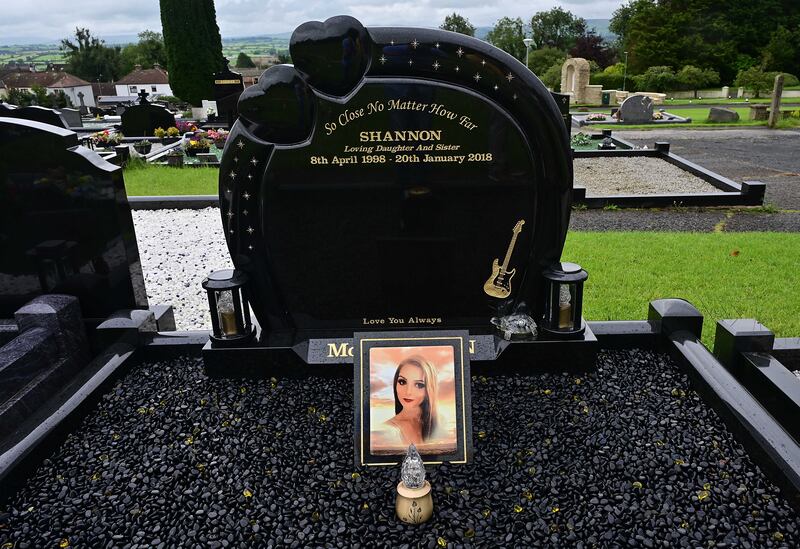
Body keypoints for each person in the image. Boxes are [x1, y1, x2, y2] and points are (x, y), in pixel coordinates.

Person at [384, 355, 439, 446]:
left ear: (430, 389)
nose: (408, 392)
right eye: (402, 382)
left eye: (419, 385)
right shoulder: (388, 430)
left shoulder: (438, 425)